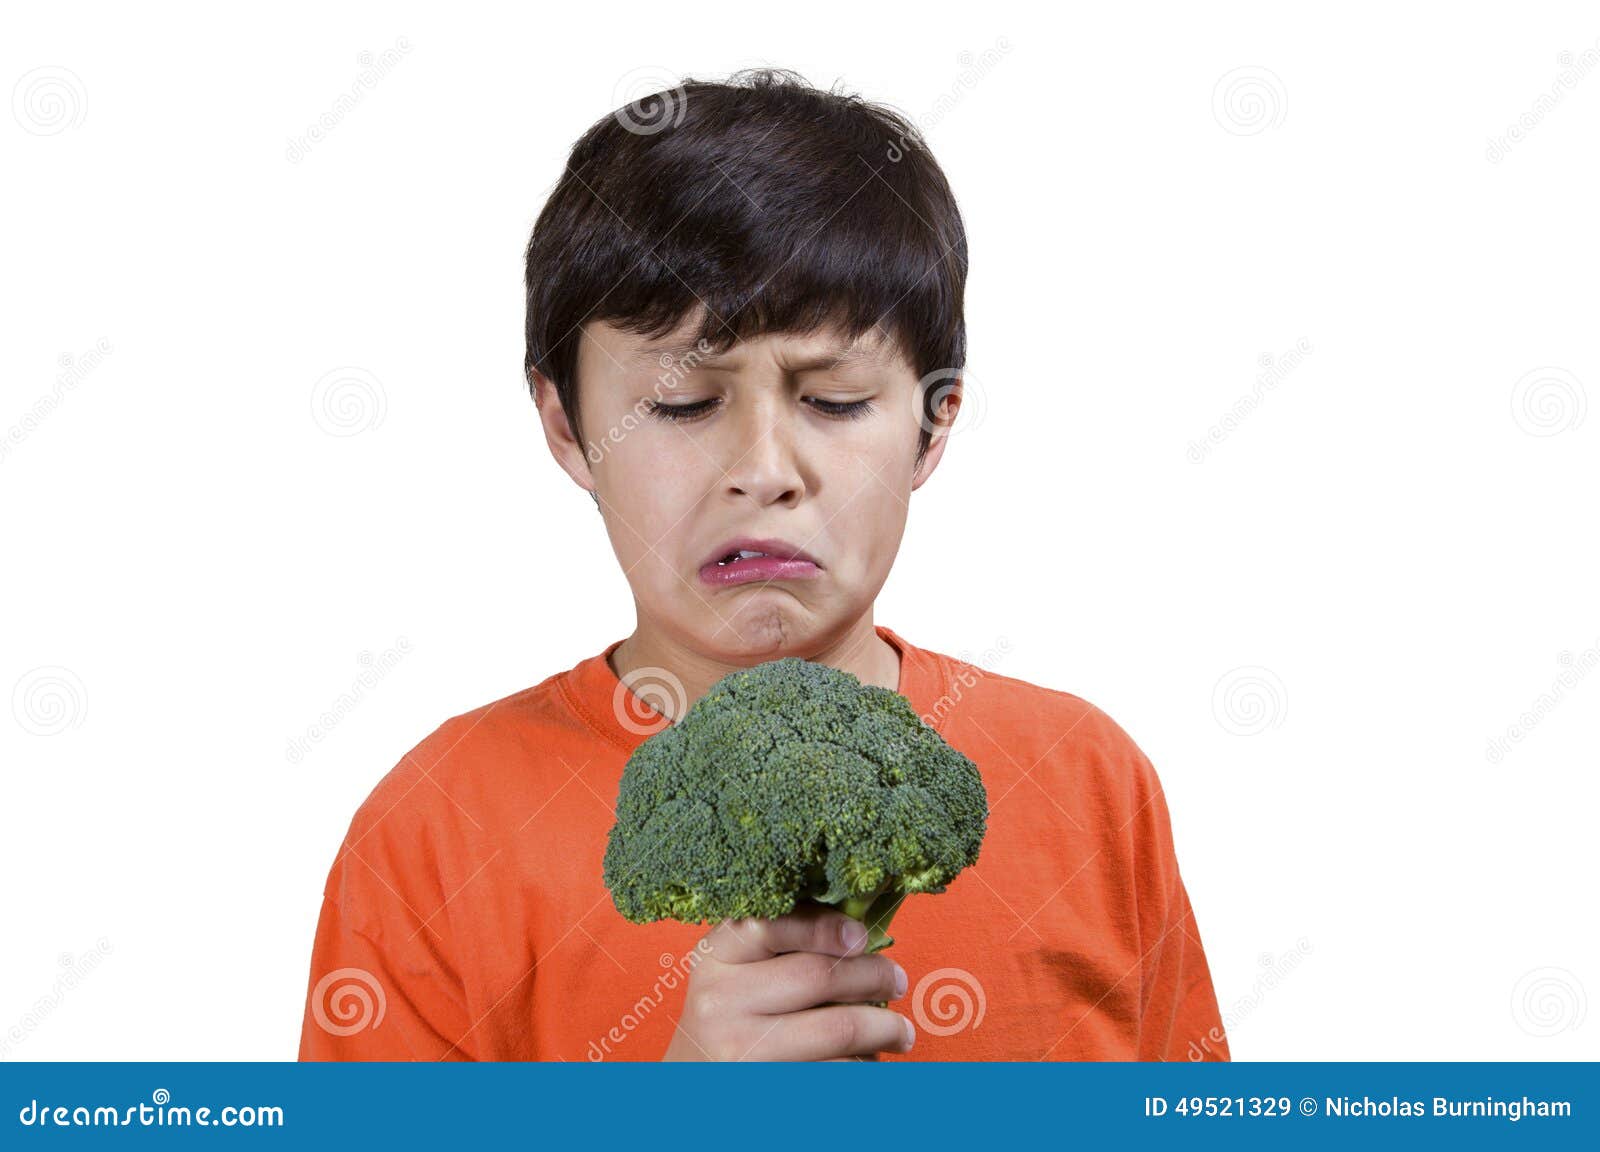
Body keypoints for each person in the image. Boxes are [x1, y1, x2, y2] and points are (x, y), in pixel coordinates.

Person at [297, 67, 1229, 1062]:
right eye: (683, 404)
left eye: (831, 400)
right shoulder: (438, 829)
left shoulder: (1085, 779)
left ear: (932, 424)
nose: (762, 472)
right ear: (566, 425)